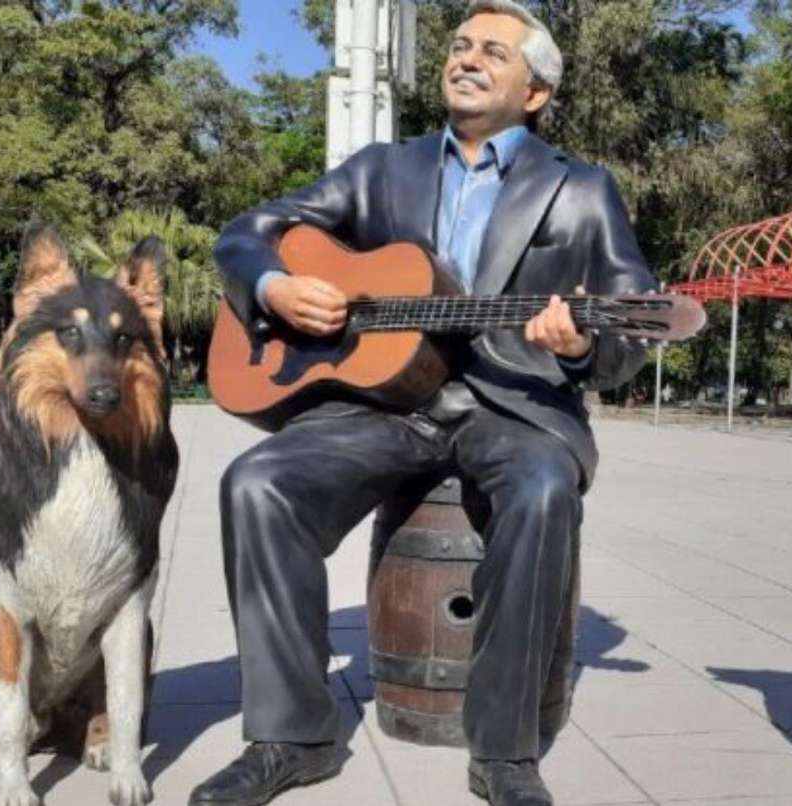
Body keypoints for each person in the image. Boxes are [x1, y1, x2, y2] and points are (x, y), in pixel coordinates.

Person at [191, 3, 654, 805]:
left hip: (516, 408)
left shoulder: (580, 190)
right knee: (256, 483)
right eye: (461, 45)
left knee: (544, 490)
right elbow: (245, 233)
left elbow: (630, 325)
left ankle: (505, 753)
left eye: (494, 52)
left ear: (536, 92)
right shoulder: (381, 169)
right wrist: (275, 286)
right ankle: (290, 737)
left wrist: (579, 343)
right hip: (381, 404)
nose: (468, 59)